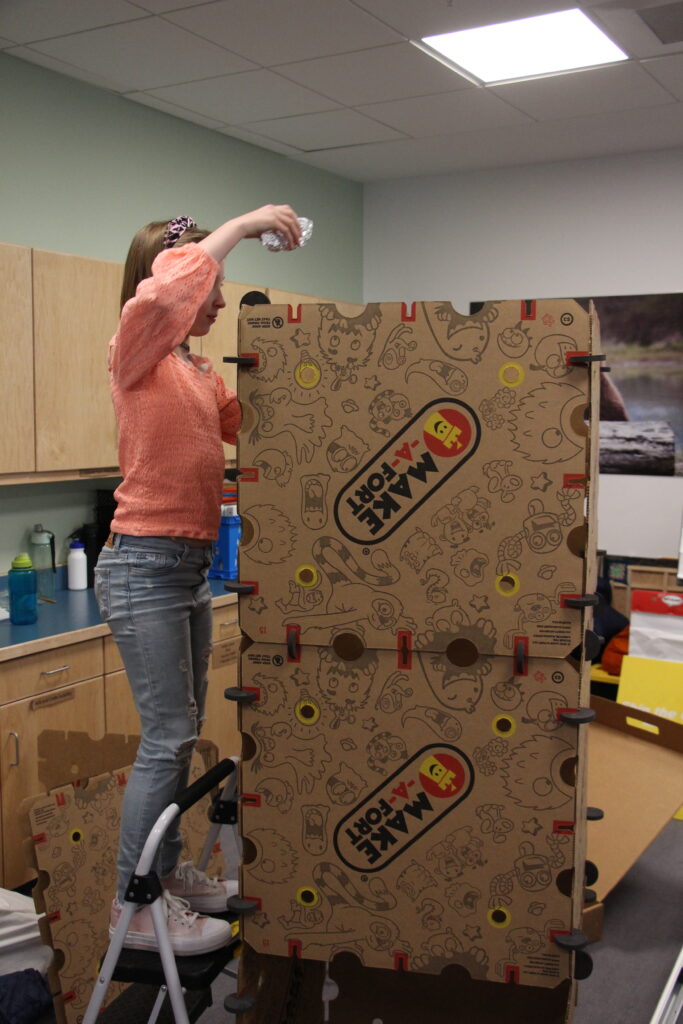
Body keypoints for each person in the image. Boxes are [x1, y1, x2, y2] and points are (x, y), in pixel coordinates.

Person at [95, 205, 301, 955]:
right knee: (168, 738)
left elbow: (250, 424)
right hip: (143, 564)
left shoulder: (191, 368)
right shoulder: (136, 349)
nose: (216, 301)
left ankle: (170, 873)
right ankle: (135, 904)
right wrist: (243, 224)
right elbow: (165, 295)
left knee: (182, 741)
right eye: (209, 288)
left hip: (187, 568)